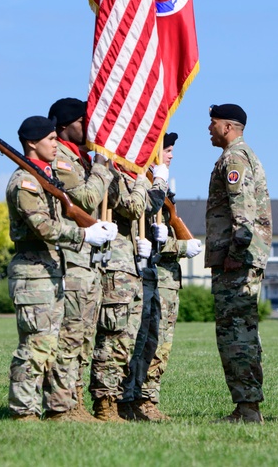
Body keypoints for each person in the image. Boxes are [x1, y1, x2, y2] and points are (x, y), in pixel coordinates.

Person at [5, 116, 117, 421]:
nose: (56, 144)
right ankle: (23, 412)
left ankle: (58, 409)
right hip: (32, 271)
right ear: (32, 143)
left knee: (52, 344)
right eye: (50, 139)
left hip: (50, 270)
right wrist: (84, 234)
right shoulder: (25, 181)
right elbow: (42, 226)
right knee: (35, 345)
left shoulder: (45, 177)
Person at [120, 132, 204, 421]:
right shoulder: (142, 188)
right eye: (166, 150)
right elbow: (142, 238)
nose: (170, 155)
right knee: (143, 341)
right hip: (148, 275)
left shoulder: (164, 190)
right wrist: (180, 246)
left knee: (160, 343)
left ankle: (147, 398)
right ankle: (132, 398)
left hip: (166, 277)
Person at [45, 98, 112, 422]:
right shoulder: (61, 158)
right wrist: (101, 167)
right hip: (71, 260)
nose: (90, 127)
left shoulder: (76, 158)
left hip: (85, 260)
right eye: (84, 121)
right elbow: (85, 199)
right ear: (64, 126)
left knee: (83, 336)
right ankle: (61, 406)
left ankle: (75, 403)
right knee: (70, 335)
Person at [205, 103, 272, 424]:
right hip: (240, 260)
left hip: (237, 262)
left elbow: (242, 215)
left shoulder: (234, 159)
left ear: (228, 127)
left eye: (213, 123)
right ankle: (246, 405)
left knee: (236, 334)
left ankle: (247, 408)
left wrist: (234, 254)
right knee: (240, 331)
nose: (209, 128)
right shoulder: (240, 156)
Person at [90, 149, 167, 422]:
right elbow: (133, 207)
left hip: (131, 267)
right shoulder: (112, 175)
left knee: (128, 341)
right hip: (116, 269)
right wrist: (149, 182)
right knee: (113, 339)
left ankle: (120, 399)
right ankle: (105, 402)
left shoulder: (125, 176)